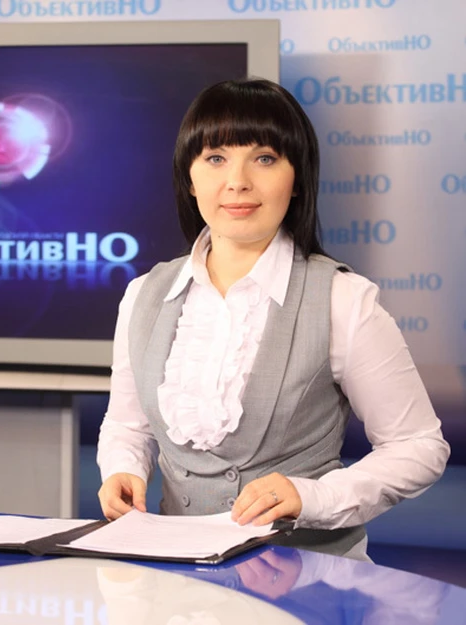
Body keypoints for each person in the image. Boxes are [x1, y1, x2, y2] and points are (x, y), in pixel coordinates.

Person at [96, 78, 450, 560]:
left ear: (297, 178)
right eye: (215, 158)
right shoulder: (144, 294)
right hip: (176, 572)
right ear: (189, 178)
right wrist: (123, 469)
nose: (237, 181)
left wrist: (313, 497)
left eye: (264, 158)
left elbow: (419, 446)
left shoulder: (343, 299)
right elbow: (127, 424)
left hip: (310, 576)